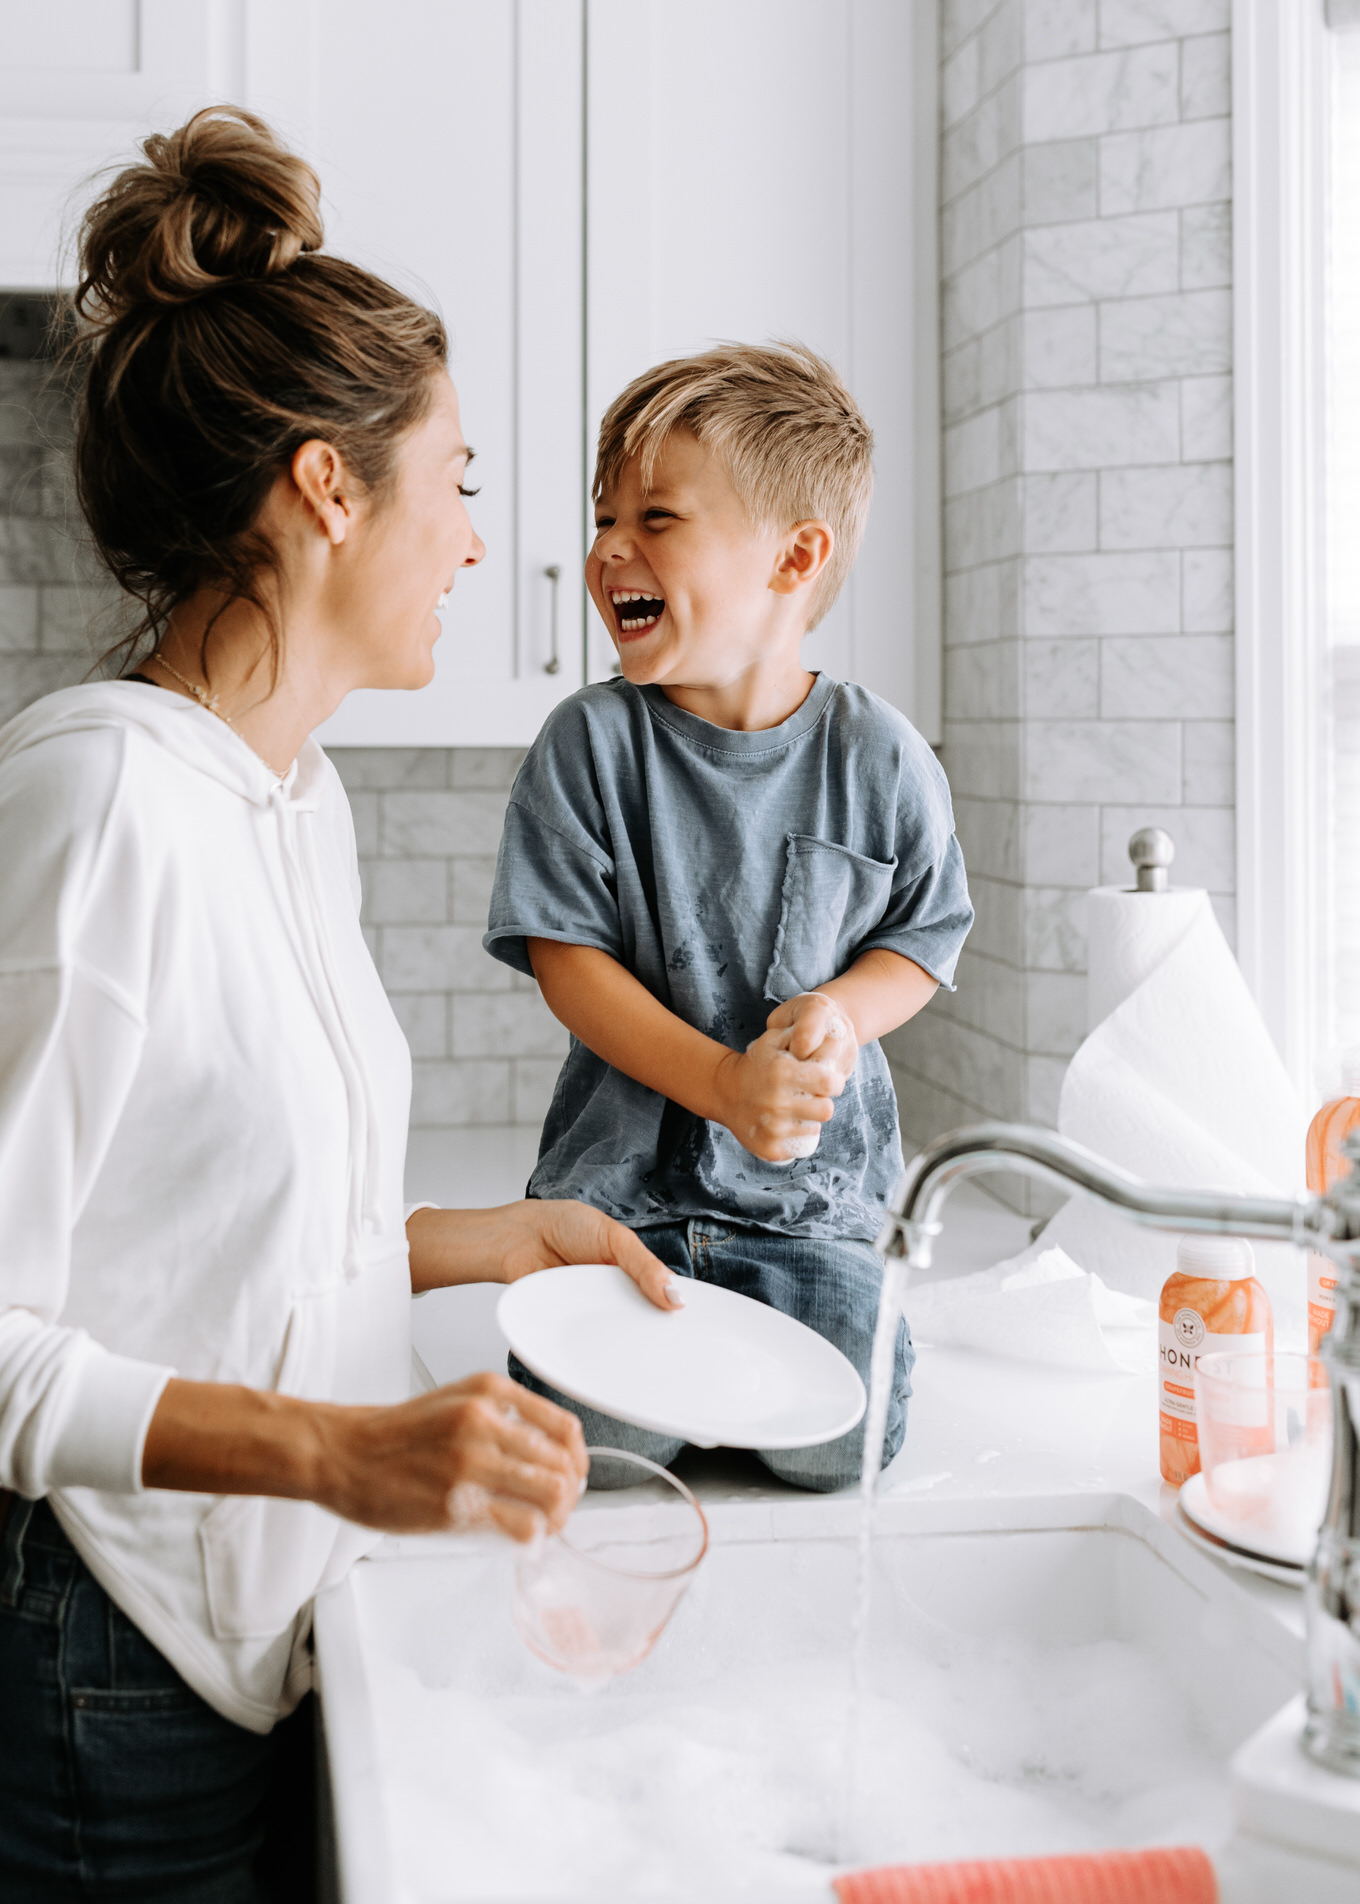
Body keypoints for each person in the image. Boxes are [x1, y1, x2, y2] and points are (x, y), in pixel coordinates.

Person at [0, 107, 678, 1902]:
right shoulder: (97, 801)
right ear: (325, 485)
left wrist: (488, 1239)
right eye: (453, 476)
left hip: (257, 1611)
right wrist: (346, 1450)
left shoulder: (291, 799)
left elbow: (220, 1226)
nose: (473, 539)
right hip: (109, 1650)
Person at [484, 342, 974, 1491]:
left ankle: (721, 1390)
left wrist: (841, 1013)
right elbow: (568, 961)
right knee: (599, 1448)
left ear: (794, 557)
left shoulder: (879, 754)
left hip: (810, 1216)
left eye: (656, 518)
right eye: (605, 517)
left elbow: (921, 936)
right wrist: (719, 1085)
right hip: (618, 1213)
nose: (610, 550)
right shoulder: (589, 745)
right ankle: (673, 1395)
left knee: (841, 1445)